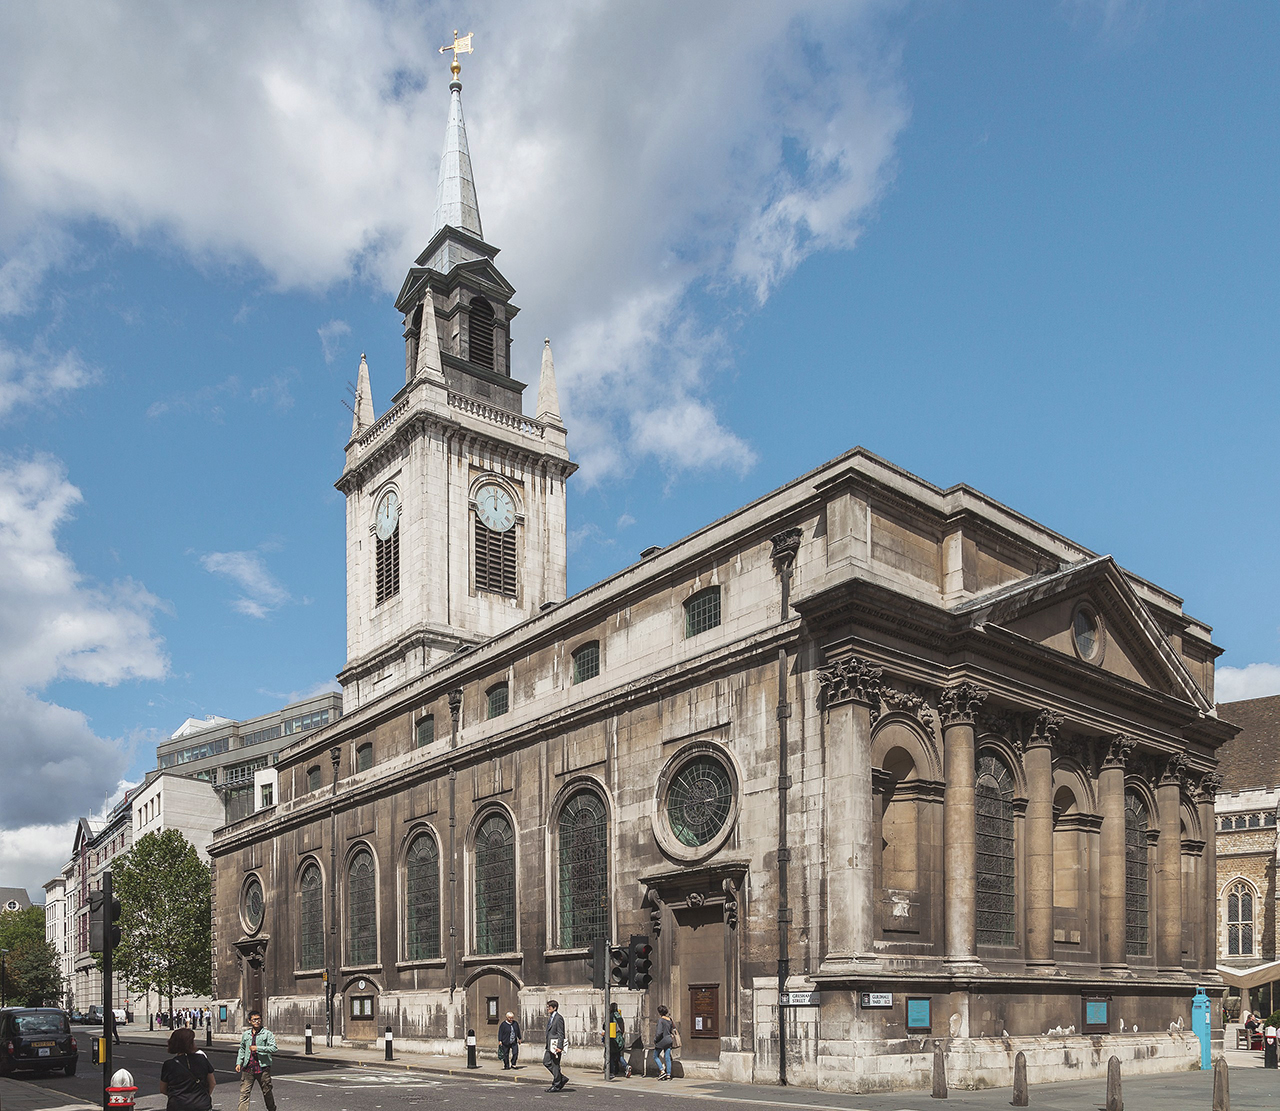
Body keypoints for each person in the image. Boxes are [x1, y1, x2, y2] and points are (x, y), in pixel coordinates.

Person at [159, 1027, 216, 1111]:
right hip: (202, 1105)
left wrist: (177, 1095)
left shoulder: (169, 1064)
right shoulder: (202, 1059)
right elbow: (212, 1083)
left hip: (178, 1106)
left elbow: (163, 1089)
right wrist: (203, 1096)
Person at [235, 1009, 278, 1111]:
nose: (257, 1022)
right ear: (250, 1021)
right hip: (248, 1068)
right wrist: (239, 1063)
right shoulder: (246, 1034)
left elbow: (274, 1048)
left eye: (258, 1019)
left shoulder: (267, 1034)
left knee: (267, 1092)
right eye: (254, 1020)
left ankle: (271, 1109)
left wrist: (258, 1048)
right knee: (244, 1093)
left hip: (262, 1068)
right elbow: (242, 1049)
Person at [543, 999, 567, 1092]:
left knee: (555, 1064)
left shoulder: (558, 1018)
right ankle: (561, 1078)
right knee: (546, 1062)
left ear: (554, 1008)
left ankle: (557, 1084)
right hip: (550, 1045)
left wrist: (560, 1047)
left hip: (555, 1046)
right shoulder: (551, 1017)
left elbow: (561, 1033)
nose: (547, 1009)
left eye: (549, 1007)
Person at [601, 1004, 630, 1078]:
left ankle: (611, 1072)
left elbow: (605, 1026)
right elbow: (622, 1027)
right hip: (619, 1037)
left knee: (610, 1054)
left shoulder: (610, 1016)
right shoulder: (619, 1016)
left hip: (613, 1037)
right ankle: (625, 1067)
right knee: (617, 1054)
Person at [652, 1005, 674, 1080]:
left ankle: (662, 1071)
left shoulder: (661, 1020)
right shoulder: (670, 1019)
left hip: (662, 1041)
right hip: (669, 1040)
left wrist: (655, 1040)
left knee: (655, 1056)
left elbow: (659, 1032)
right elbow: (672, 1030)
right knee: (667, 1057)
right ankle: (668, 1074)